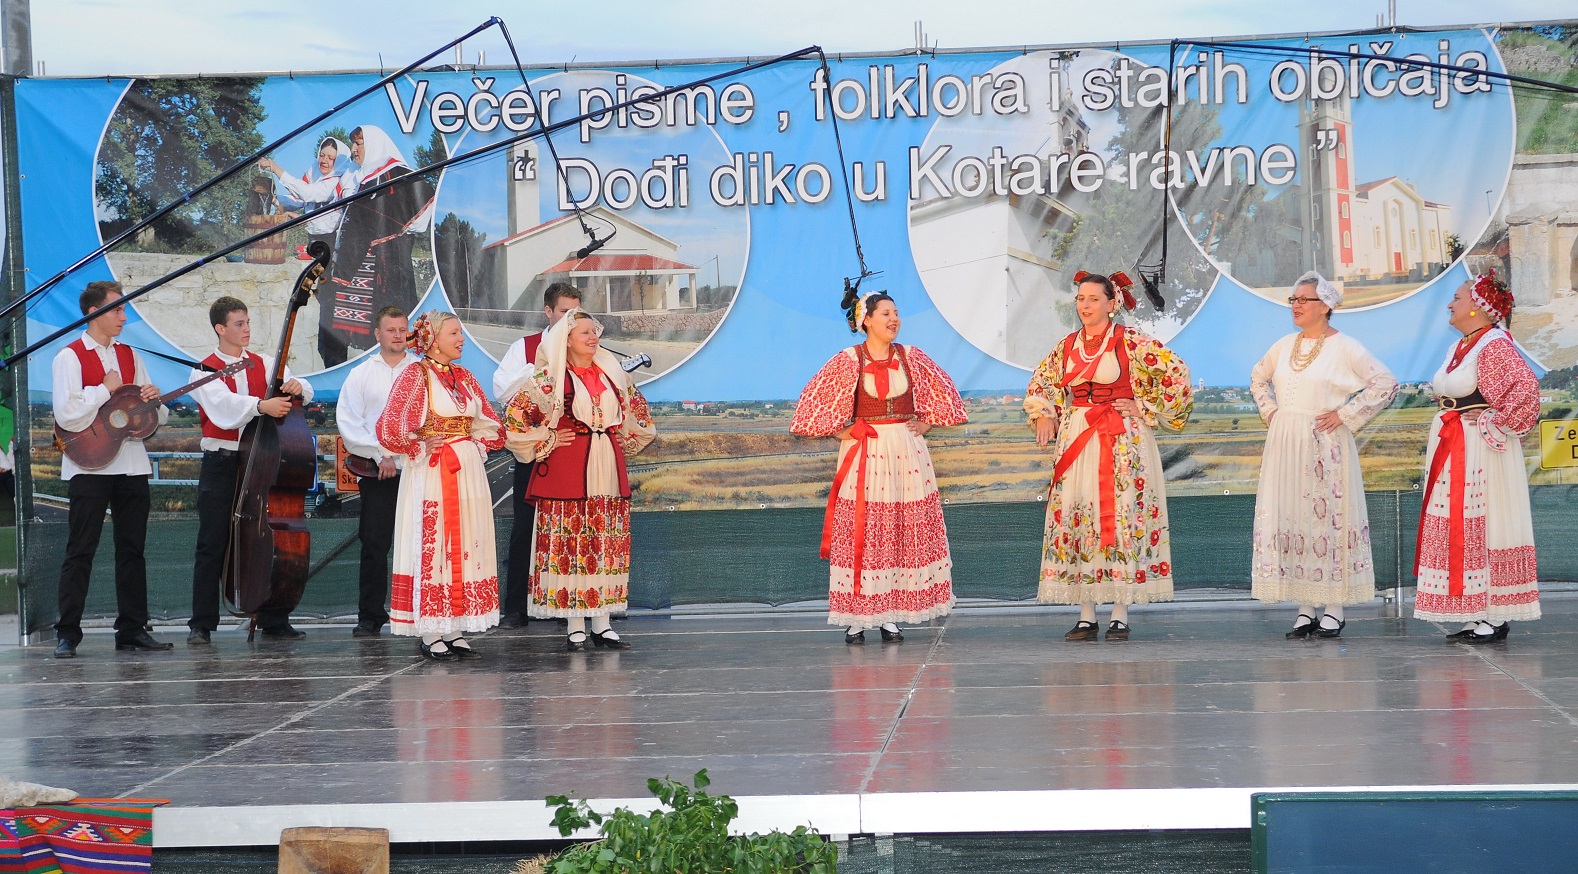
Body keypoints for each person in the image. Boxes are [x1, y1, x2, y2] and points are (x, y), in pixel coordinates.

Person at [791, 290, 967, 644]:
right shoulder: (848, 360)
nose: (893, 319)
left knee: (900, 530)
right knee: (867, 529)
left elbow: (945, 394)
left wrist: (926, 423)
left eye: (896, 313)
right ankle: (857, 617)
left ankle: (890, 615)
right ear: (865, 320)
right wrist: (843, 431)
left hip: (905, 449)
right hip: (867, 451)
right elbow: (811, 407)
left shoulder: (910, 357)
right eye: (885, 313)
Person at [1025, 271, 1193, 641]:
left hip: (1121, 439)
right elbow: (1043, 382)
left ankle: (1120, 611)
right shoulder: (1067, 346)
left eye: (1093, 299)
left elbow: (1176, 375)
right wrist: (1042, 413)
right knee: (1079, 514)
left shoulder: (1131, 342)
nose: (1085, 305)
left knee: (1120, 515)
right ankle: (1087, 613)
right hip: (1078, 436)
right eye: (1081, 299)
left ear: (1112, 303)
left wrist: (1143, 405)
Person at [1249, 272, 1398, 639]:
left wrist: (1345, 415)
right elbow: (1258, 377)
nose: (1296, 305)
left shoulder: (1345, 346)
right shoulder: (1284, 345)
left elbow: (1386, 382)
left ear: (1326, 307)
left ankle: (1334, 607)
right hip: (1285, 442)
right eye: (1293, 300)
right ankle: (1305, 607)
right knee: (1293, 516)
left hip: (1323, 443)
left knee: (1326, 519)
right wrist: (1271, 412)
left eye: (1304, 300)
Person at [503, 309, 656, 651]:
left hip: (604, 462)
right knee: (572, 540)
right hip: (568, 467)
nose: (592, 337)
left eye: (594, 331)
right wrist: (549, 439)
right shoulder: (550, 378)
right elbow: (514, 421)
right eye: (584, 332)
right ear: (566, 339)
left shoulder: (612, 373)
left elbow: (638, 415)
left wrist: (622, 438)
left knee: (604, 538)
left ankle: (602, 622)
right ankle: (574, 623)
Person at [1414, 272, 1541, 643]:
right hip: (1456, 445)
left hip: (1480, 452)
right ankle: (1475, 610)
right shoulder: (1469, 343)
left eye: (1456, 297)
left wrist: (1492, 419)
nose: (1450, 304)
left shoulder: (1494, 344)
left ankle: (1495, 615)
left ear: (1477, 307)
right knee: (1462, 525)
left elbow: (1526, 392)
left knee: (1486, 523)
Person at [50, 281, 174, 658]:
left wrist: (155, 402)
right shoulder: (68, 356)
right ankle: (68, 632)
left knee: (132, 550)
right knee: (81, 549)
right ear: (93, 314)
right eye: (117, 309)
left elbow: (155, 417)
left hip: (132, 463)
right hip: (87, 466)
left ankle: (132, 629)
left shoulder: (131, 355)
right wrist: (104, 390)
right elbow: (66, 414)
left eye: (124, 310)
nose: (124, 316)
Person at [376, 311, 504, 659]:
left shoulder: (463, 376)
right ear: (432, 338)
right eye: (453, 333)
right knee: (435, 544)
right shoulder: (415, 375)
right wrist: (418, 444)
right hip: (432, 472)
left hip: (466, 470)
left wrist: (475, 440)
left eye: (460, 332)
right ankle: (431, 631)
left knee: (465, 543)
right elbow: (389, 426)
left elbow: (490, 422)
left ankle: (455, 627)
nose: (461, 339)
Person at [187, 296, 314, 644]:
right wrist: (261, 405)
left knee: (265, 537)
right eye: (239, 324)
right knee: (212, 541)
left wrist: (297, 386)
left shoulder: (264, 362)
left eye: (247, 323)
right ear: (220, 328)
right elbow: (223, 408)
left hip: (260, 463)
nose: (246, 330)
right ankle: (201, 624)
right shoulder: (203, 369)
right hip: (223, 462)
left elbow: (304, 385)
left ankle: (273, 616)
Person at [492, 282, 583, 628]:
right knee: (525, 528)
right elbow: (503, 391)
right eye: (564, 313)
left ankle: (566, 606)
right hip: (534, 452)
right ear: (548, 312)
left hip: (572, 451)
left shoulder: (587, 347)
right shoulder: (524, 348)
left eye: (576, 313)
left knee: (570, 531)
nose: (570, 320)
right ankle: (516, 608)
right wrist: (542, 368)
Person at [324, 125, 435, 367]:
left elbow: (420, 219)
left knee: (388, 329)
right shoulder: (353, 176)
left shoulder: (398, 174)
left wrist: (382, 229)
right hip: (352, 265)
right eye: (353, 143)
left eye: (359, 143)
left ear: (374, 144)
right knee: (341, 335)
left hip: (387, 265)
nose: (353, 149)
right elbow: (338, 216)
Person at [336, 306, 413, 637]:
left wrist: (402, 456)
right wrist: (382, 454)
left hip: (417, 470)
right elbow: (349, 423)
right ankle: (370, 615)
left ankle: (420, 612)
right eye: (391, 329)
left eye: (402, 329)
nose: (398, 335)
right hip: (377, 474)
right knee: (374, 545)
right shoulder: (361, 374)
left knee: (419, 545)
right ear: (377, 334)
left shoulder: (423, 371)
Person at [260, 137, 355, 363]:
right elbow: (298, 199)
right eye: (322, 154)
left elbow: (313, 195)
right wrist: (276, 199)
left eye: (331, 157)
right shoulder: (314, 173)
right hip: (316, 240)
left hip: (332, 243)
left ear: (338, 160)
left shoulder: (337, 179)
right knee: (322, 300)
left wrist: (276, 168)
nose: (325, 160)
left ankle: (334, 354)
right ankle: (327, 350)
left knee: (330, 302)